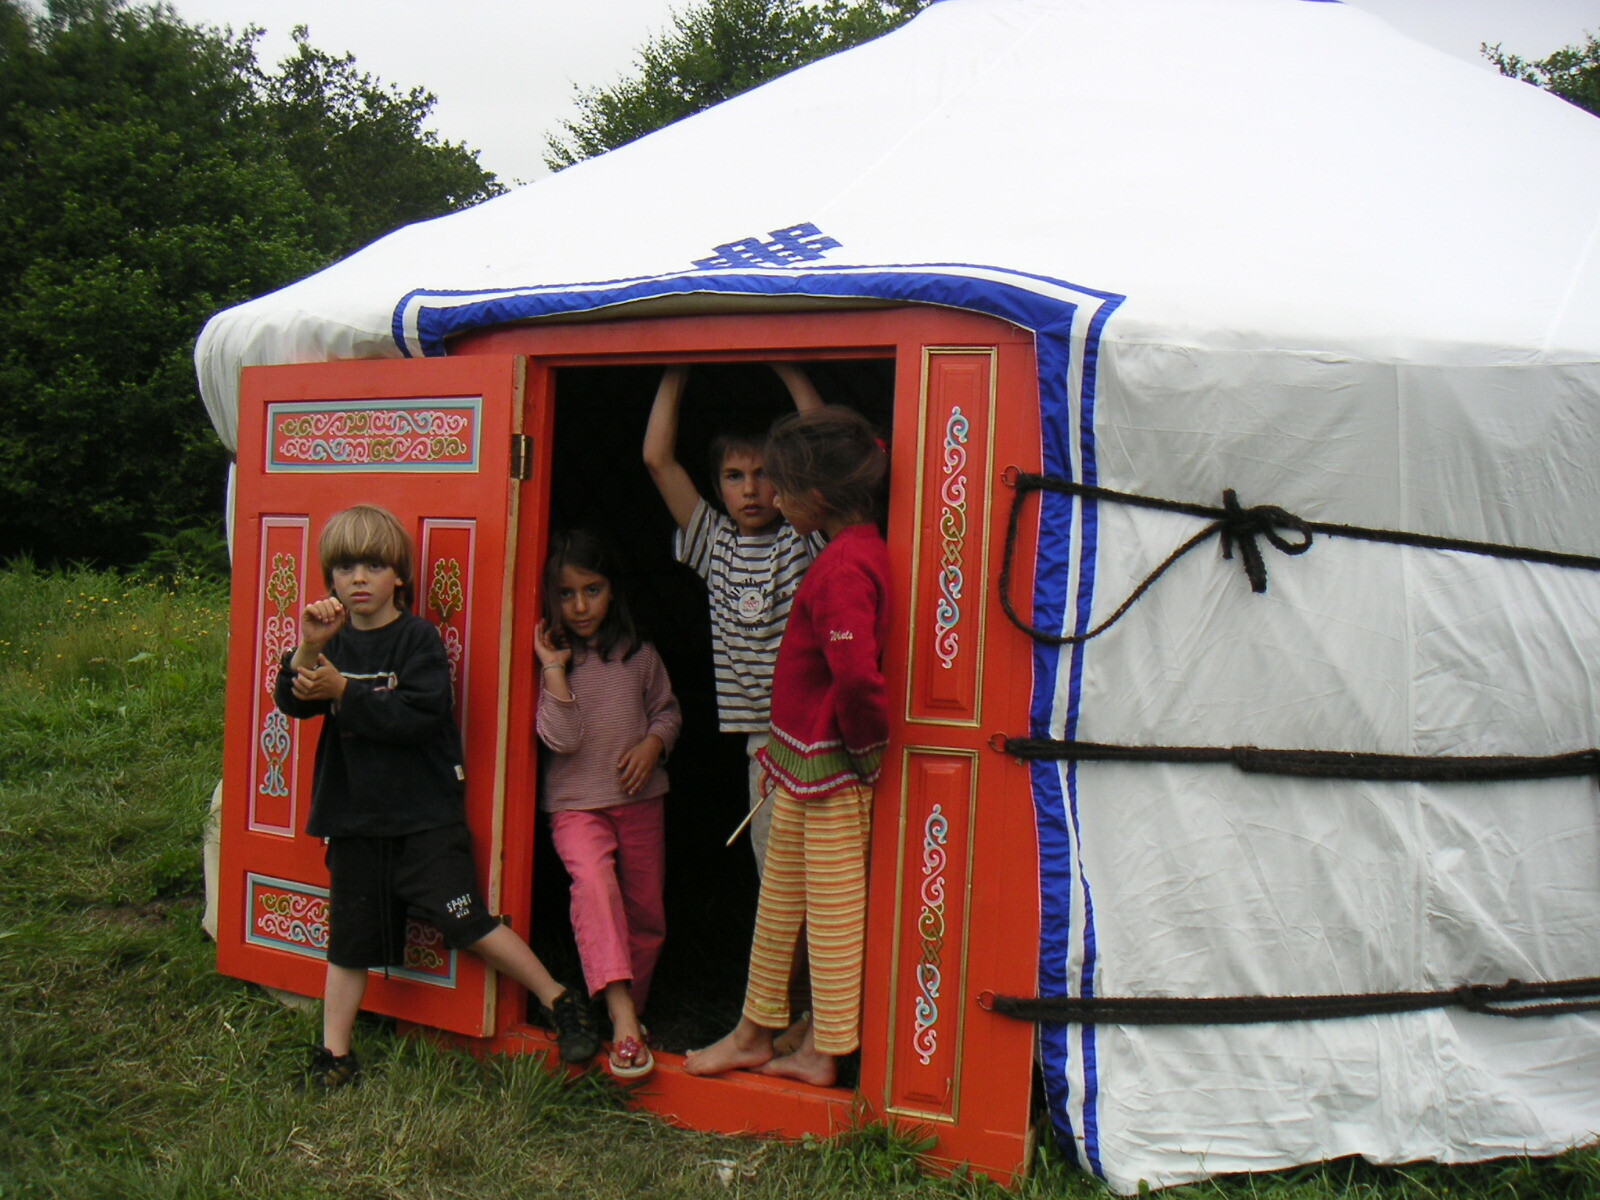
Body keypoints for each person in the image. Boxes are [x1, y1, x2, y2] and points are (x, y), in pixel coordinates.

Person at [276, 504, 599, 1093]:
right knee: (349, 943)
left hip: (424, 816)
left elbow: (420, 714)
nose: (358, 579)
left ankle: (559, 998)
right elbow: (293, 701)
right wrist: (308, 649)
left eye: (373, 566)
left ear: (399, 574)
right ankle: (335, 1056)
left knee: (465, 920)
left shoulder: (417, 639)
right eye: (344, 568)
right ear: (330, 580)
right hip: (355, 820)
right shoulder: (330, 644)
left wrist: (345, 689)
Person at [683, 407, 890, 1087]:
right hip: (800, 765)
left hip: (831, 772)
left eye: (782, 486)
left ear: (816, 497)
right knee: (781, 906)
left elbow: (856, 677)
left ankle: (823, 1051)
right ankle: (755, 1032)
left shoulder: (842, 569)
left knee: (828, 915)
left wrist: (867, 750)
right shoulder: (848, 553)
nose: (770, 497)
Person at [641, 363, 824, 875]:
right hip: (762, 741)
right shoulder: (714, 543)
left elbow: (826, 449)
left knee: (827, 876)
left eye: (764, 474)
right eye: (735, 476)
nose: (750, 489)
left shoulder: (804, 536)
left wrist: (786, 365)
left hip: (816, 732)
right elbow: (657, 459)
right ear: (717, 486)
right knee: (775, 875)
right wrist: (680, 364)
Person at [535, 529, 683, 1079]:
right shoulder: (549, 663)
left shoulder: (638, 655)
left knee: (645, 911)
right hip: (576, 804)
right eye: (565, 594)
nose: (579, 606)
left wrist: (653, 745)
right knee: (596, 889)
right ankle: (621, 1016)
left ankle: (629, 1011)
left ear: (612, 590)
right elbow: (562, 738)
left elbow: (668, 711)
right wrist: (553, 669)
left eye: (591, 590)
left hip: (639, 799)